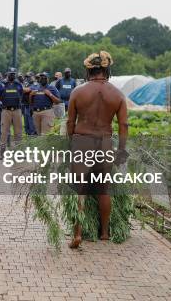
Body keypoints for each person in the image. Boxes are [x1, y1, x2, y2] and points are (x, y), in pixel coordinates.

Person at [66, 51, 128, 249]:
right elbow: (124, 125)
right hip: (104, 142)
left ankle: (77, 233)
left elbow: (70, 121)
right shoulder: (117, 94)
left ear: (88, 70)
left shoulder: (78, 92)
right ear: (107, 70)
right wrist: (122, 150)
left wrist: (69, 143)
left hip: (82, 141)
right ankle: (104, 233)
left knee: (81, 189)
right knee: (103, 189)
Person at [0, 68, 25, 160]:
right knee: (4, 132)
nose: (12, 75)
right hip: (6, 111)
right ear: (8, 74)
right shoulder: (2, 84)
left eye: (14, 74)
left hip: (17, 110)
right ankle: (2, 152)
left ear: (15, 74)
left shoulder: (18, 84)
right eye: (11, 74)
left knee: (18, 132)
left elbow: (21, 95)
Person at [21, 72, 37, 136]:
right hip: (25, 106)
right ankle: (28, 138)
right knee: (26, 125)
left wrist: (18, 87)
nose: (28, 78)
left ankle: (33, 139)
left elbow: (26, 90)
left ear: (33, 76)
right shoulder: (27, 84)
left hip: (32, 107)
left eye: (29, 77)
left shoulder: (35, 84)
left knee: (32, 125)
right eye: (27, 77)